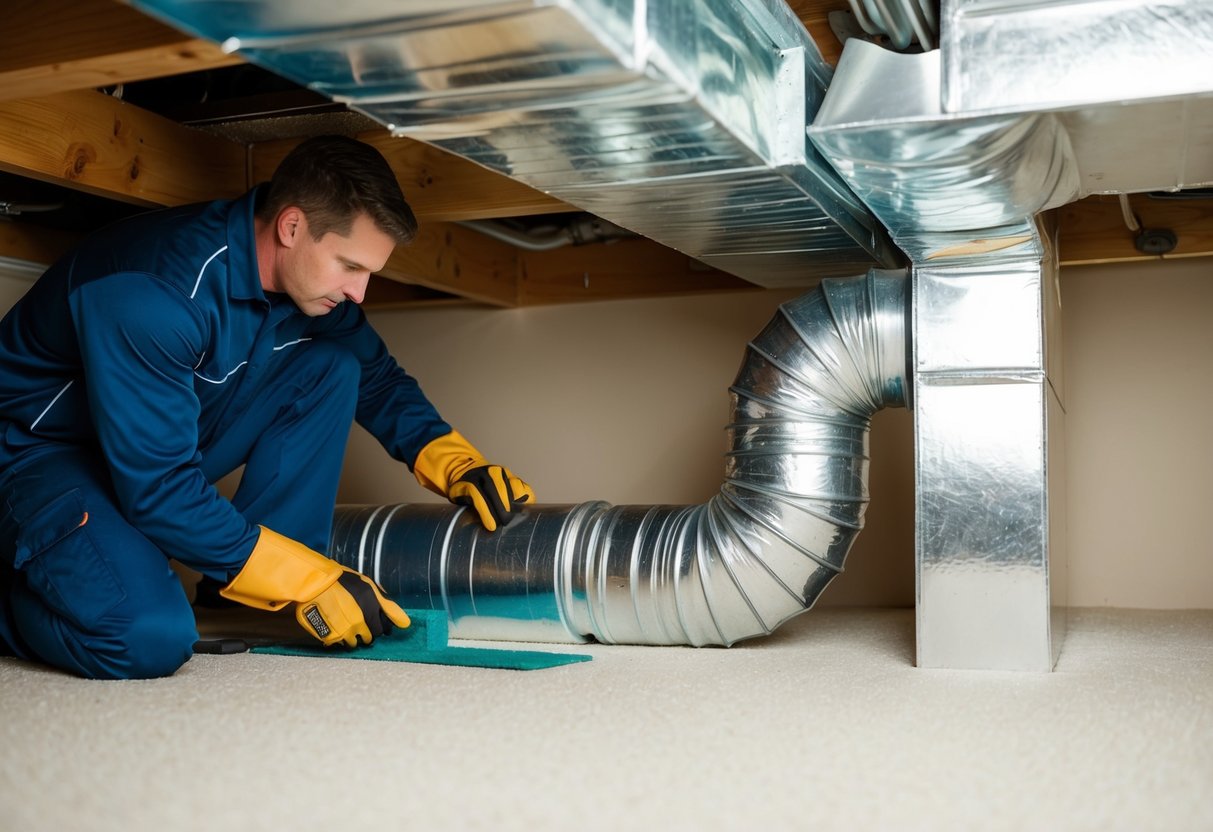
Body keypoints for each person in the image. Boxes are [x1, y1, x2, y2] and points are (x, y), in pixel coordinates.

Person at [0, 135, 534, 680]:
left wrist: (457, 463)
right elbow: (159, 490)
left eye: (369, 272)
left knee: (332, 367)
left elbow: (376, 378)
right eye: (350, 265)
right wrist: (305, 578)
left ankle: (246, 596)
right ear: (292, 227)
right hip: (35, 458)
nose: (360, 292)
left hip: (140, 456)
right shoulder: (155, 291)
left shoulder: (307, 290)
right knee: (147, 637)